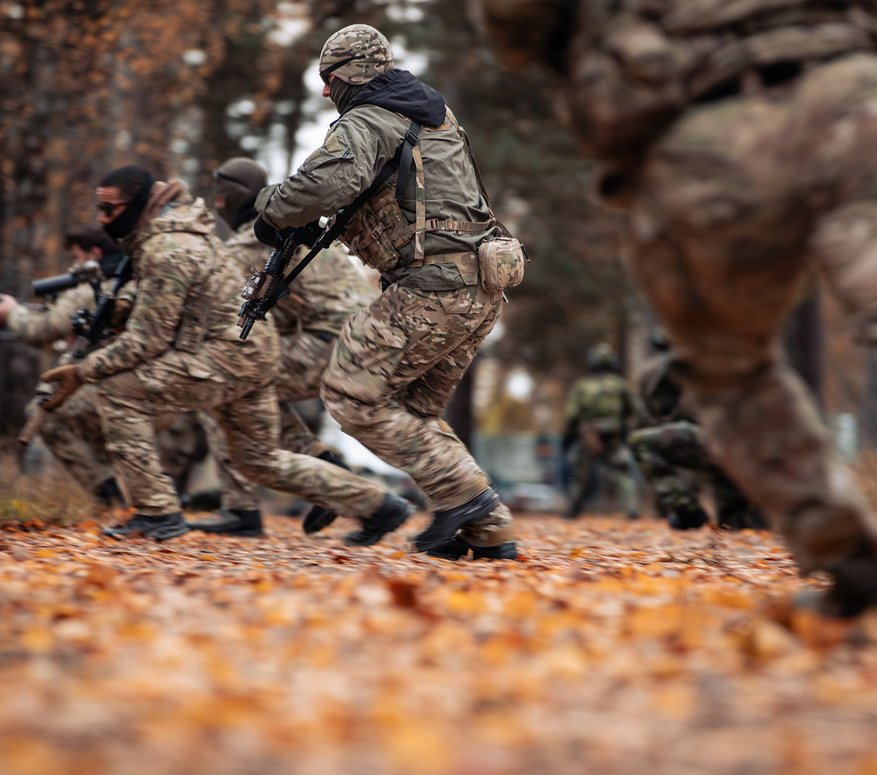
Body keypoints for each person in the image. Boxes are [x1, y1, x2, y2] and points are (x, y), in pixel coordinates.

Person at [478, 0, 877, 659]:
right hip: (855, 102)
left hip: (699, 132)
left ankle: (851, 566)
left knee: (731, 373)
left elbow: (515, 19)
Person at [39, 164, 413, 544]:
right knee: (260, 461)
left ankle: (157, 511)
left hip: (231, 354)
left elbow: (146, 342)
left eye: (110, 210)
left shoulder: (167, 247)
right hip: (249, 351)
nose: (102, 220)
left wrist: (83, 371)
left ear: (136, 205)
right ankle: (379, 505)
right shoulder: (174, 236)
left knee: (117, 390)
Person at [255, 23, 518, 561]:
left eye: (328, 80)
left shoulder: (369, 119)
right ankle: (488, 528)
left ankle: (468, 499)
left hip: (433, 287)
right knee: (409, 410)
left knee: (350, 392)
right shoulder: (431, 115)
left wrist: (269, 207)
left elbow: (319, 185)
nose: (326, 92)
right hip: (480, 287)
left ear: (347, 74)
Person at [188, 156, 377, 537]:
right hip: (361, 343)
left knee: (221, 388)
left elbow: (211, 302)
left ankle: (241, 509)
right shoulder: (291, 226)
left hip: (326, 343)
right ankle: (323, 464)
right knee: (256, 391)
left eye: (220, 196)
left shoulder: (255, 240)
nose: (217, 204)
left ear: (232, 199)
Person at [0, 228, 200, 506]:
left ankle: (107, 493)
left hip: (130, 393)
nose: (73, 265)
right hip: (169, 397)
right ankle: (155, 493)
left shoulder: (93, 288)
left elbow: (44, 329)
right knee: (99, 425)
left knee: (47, 413)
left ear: (94, 255)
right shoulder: (140, 279)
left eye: (77, 257)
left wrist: (12, 312)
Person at [629, 331, 765, 531]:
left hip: (720, 443)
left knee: (641, 442)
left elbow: (656, 407)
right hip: (742, 451)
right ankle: (694, 510)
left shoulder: (670, 366)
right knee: (734, 528)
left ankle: (687, 510)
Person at [561, 342, 640, 519]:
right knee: (623, 473)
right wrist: (625, 430)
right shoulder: (619, 384)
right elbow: (632, 411)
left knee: (581, 477)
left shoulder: (582, 386)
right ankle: (632, 508)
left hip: (589, 436)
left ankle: (572, 512)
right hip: (613, 434)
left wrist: (569, 437)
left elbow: (572, 415)